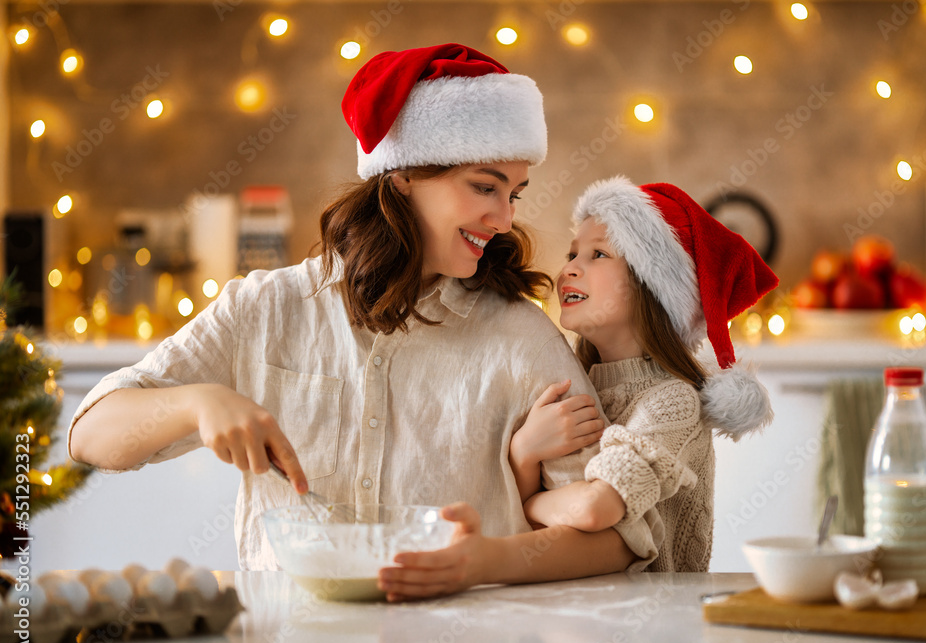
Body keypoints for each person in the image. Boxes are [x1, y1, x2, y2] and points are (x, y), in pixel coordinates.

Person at [68, 44, 653, 600]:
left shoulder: (521, 338)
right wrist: (197, 403)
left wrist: (487, 559)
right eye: (484, 187)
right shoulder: (266, 309)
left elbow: (619, 542)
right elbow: (91, 436)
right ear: (402, 176)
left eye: (514, 194)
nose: (503, 219)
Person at [509, 176, 779, 571]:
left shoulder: (673, 402)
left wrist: (530, 503)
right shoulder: (565, 379)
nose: (569, 269)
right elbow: (510, 520)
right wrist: (525, 450)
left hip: (654, 622)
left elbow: (594, 510)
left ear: (651, 286)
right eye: (572, 254)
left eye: (597, 254)